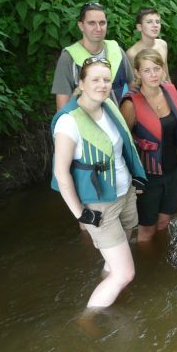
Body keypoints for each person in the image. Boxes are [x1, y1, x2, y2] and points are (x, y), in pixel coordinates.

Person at [51, 57, 147, 308]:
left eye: (106, 79)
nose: (102, 85)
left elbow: (121, 149)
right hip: (98, 205)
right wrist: (81, 215)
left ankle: (108, 283)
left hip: (124, 193)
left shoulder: (109, 107)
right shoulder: (69, 121)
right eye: (95, 79)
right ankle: (89, 318)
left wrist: (135, 181)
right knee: (125, 273)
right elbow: (61, 174)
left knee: (116, 261)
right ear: (81, 83)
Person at [120, 49, 177, 242]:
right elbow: (123, 144)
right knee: (147, 229)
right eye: (147, 70)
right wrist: (133, 180)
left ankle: (161, 258)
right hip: (147, 176)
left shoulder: (170, 91)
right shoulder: (130, 103)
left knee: (164, 221)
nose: (153, 75)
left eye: (157, 69)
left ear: (162, 70)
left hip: (171, 168)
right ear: (137, 73)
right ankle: (147, 266)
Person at [52, 1, 134, 111]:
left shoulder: (117, 52)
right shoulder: (69, 58)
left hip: (118, 123)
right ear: (81, 26)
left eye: (102, 23)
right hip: (84, 124)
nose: (98, 28)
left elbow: (133, 90)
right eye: (91, 23)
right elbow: (62, 107)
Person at [126, 7, 170, 80]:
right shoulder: (132, 53)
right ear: (139, 27)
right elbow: (133, 83)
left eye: (157, 22)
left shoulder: (162, 44)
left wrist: (171, 90)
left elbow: (166, 76)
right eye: (149, 22)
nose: (155, 25)